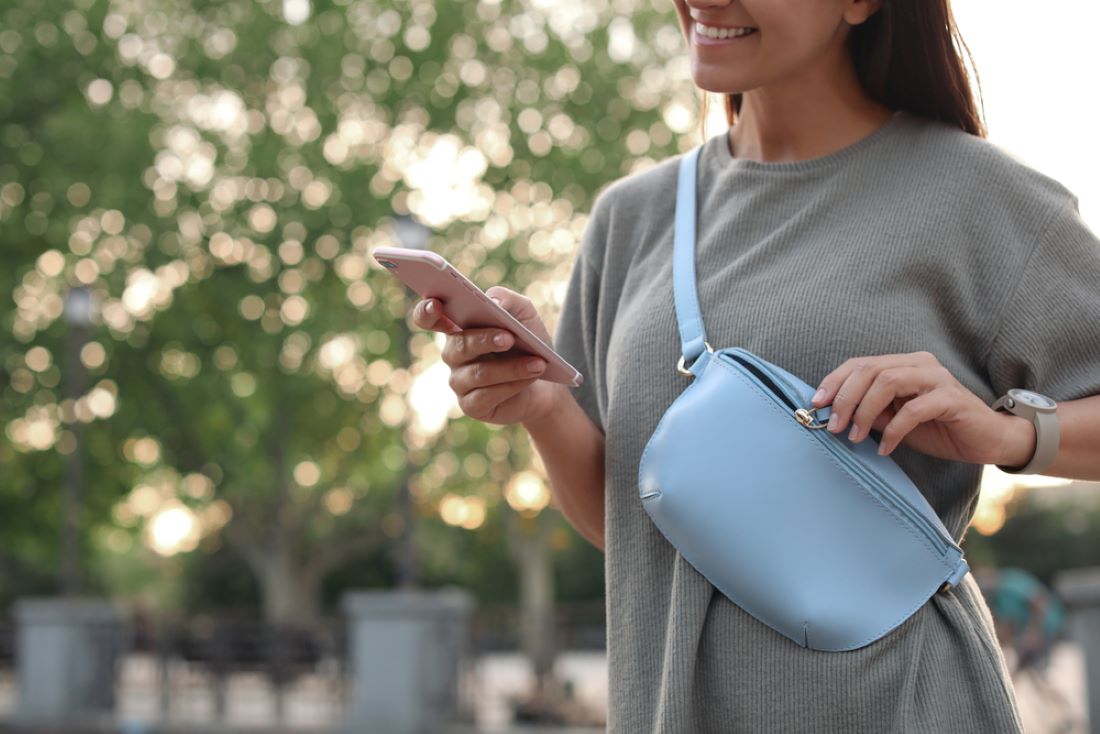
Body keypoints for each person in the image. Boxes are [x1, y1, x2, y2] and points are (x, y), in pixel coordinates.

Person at [412, 0, 1100, 730]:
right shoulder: (631, 219)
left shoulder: (974, 196)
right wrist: (544, 408)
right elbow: (633, 532)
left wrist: (1008, 434)